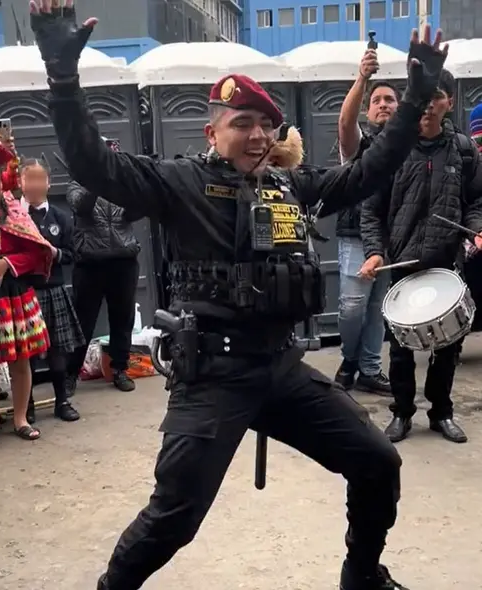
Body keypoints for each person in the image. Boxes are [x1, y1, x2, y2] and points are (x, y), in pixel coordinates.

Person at [28, 1, 448, 587]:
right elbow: (92, 164)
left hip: (280, 369)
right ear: (212, 131)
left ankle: (363, 576)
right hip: (213, 374)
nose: (256, 135)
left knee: (378, 463)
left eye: (265, 124)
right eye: (241, 122)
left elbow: (365, 173)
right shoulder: (177, 183)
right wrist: (62, 76)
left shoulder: (290, 185)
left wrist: (416, 93)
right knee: (174, 518)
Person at [359, 68, 482, 445]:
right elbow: (371, 210)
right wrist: (375, 252)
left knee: (448, 346)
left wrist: (477, 228)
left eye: (436, 97)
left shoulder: (463, 149)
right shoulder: (392, 148)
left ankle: (441, 412)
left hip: (447, 264)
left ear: (450, 102)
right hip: (404, 264)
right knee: (400, 349)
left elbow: (476, 200)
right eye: (422, 96)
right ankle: (401, 413)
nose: (428, 105)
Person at [333, 49, 399, 395]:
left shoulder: (405, 146)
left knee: (377, 309)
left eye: (390, 99)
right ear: (369, 109)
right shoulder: (360, 145)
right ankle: (350, 360)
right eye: (377, 100)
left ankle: (370, 369)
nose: (383, 104)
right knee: (353, 307)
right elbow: (345, 123)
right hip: (356, 236)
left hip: (390, 240)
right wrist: (362, 79)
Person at [0, 138, 54, 439]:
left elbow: (37, 251)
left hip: (13, 293)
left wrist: (6, 264)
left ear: (1, 183)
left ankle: (21, 418)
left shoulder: (15, 214)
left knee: (20, 358)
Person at [65, 137, 142, 394]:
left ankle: (120, 368)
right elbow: (81, 205)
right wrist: (96, 179)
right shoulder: (77, 184)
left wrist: (126, 182)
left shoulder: (121, 184)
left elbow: (137, 211)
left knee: (123, 319)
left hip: (124, 260)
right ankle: (70, 373)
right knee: (82, 322)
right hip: (91, 263)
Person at [19, 157, 85, 422]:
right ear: (20, 183)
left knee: (58, 351)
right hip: (24, 293)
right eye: (29, 178)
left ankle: (62, 401)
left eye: (39, 179)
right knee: (27, 355)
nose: (34, 185)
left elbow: (72, 254)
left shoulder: (61, 217)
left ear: (48, 182)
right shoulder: (13, 215)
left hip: (53, 290)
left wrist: (54, 252)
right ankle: (28, 405)